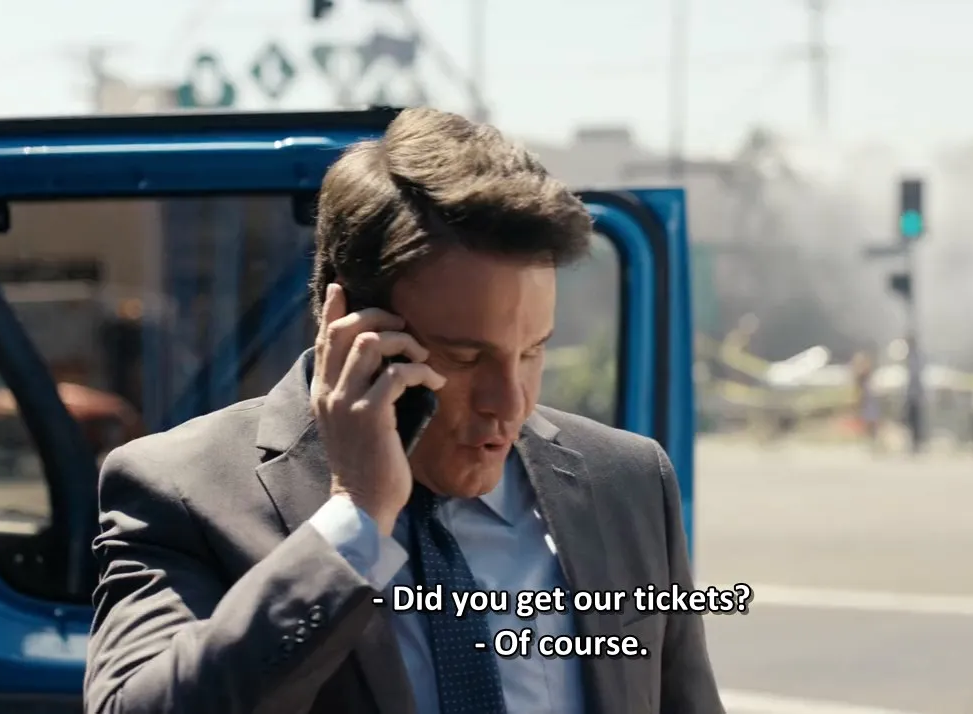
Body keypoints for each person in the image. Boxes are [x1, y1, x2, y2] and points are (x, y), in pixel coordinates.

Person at [84, 107, 723, 714]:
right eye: (466, 357)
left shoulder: (627, 482)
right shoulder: (183, 490)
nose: (512, 403)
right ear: (349, 330)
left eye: (533, 351)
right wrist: (355, 519)